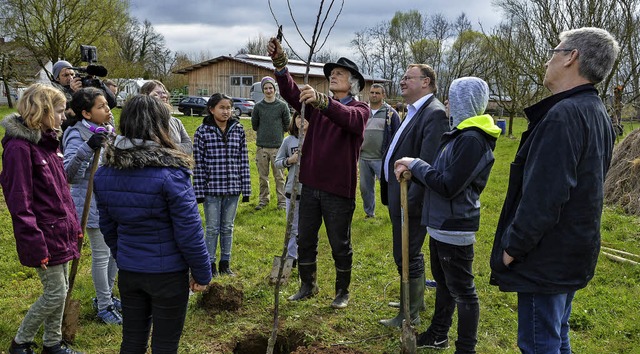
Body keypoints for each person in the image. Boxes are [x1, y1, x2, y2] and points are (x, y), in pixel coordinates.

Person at [489, 27, 619, 353]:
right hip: (571, 252)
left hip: (546, 258)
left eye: (555, 51)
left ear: (571, 57)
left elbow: (545, 198)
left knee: (540, 343)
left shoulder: (563, 115)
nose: (549, 59)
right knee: (557, 335)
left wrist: (512, 249)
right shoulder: (594, 111)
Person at [93, 95, 211, 353]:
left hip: (130, 271)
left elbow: (108, 227)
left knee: (132, 342)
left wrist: (123, 255)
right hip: (167, 276)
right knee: (165, 345)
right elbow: (190, 231)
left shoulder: (104, 172)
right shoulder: (172, 172)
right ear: (160, 125)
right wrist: (202, 273)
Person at [395, 77, 501, 352]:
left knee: (463, 292)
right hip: (441, 224)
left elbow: (448, 185)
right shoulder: (459, 136)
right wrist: (414, 173)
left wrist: (416, 164)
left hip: (455, 227)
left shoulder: (472, 140)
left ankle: (466, 348)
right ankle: (438, 334)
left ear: (465, 102)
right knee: (444, 285)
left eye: (452, 99)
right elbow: (440, 177)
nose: (447, 104)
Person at [268, 38, 370, 309]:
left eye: (339, 74)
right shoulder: (318, 107)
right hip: (309, 184)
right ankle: (307, 284)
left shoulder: (360, 109)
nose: (333, 76)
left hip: (338, 189)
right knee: (305, 238)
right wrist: (281, 66)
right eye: (331, 74)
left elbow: (347, 118)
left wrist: (322, 101)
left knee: (339, 242)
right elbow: (291, 93)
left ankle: (342, 291)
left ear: (354, 83)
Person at [1, 83, 84, 354]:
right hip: (42, 235)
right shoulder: (19, 149)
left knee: (59, 291)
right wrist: (35, 244)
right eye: (60, 111)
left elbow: (61, 192)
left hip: (60, 230)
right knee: (56, 292)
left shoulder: (50, 144)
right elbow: (20, 202)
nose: (64, 116)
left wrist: (73, 225)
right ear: (43, 111)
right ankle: (21, 342)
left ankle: (52, 344)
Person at [379, 64, 449, 327]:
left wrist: (412, 203)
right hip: (398, 195)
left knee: (407, 253)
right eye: (402, 76)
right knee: (404, 252)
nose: (402, 81)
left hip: (412, 200)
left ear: (427, 82)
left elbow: (428, 163)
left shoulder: (434, 114)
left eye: (409, 77)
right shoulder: (412, 111)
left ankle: (410, 313)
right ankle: (412, 300)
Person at [61, 87, 121, 325]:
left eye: (106, 104)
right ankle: (104, 305)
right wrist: (89, 148)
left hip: (110, 200)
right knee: (102, 254)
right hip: (89, 202)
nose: (107, 109)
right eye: (101, 106)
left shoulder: (106, 129)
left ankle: (108, 296)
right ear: (86, 113)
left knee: (115, 251)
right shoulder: (77, 135)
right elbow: (70, 175)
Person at [193, 93, 251, 277]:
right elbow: (198, 164)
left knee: (228, 227)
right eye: (222, 108)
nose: (226, 111)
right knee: (212, 228)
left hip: (233, 189)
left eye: (229, 108)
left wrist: (246, 188)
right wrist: (199, 191)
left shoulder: (239, 130)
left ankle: (225, 263)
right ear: (212, 109)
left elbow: (243, 160)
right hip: (212, 189)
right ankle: (210, 264)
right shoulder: (202, 132)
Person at [359, 83, 400, 218]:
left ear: (383, 95)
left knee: (388, 187)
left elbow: (397, 135)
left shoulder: (390, 114)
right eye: (372, 92)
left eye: (377, 93)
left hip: (382, 159)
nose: (374, 95)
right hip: (364, 156)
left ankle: (394, 213)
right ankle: (369, 214)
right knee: (365, 189)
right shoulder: (363, 111)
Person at [251, 76, 291, 210]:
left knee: (279, 177)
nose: (268, 90)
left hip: (278, 148)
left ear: (274, 89)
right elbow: (254, 125)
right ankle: (263, 201)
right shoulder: (258, 107)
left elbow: (287, 125)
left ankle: (282, 202)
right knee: (263, 177)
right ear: (263, 90)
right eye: (266, 88)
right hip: (262, 147)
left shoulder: (282, 106)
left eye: (270, 88)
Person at [274, 111, 308, 263]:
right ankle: (292, 257)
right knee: (292, 225)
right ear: (294, 120)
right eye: (298, 116)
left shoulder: (317, 140)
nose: (302, 119)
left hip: (313, 191)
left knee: (308, 228)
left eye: (306, 116)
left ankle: (307, 256)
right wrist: (290, 160)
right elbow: (277, 162)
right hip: (293, 190)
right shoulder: (289, 141)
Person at [140, 80, 193, 154]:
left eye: (164, 93)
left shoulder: (176, 122)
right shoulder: (140, 121)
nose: (164, 96)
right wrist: (176, 149)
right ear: (145, 97)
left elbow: (189, 147)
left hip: (177, 164)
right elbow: (143, 149)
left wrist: (166, 148)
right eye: (157, 94)